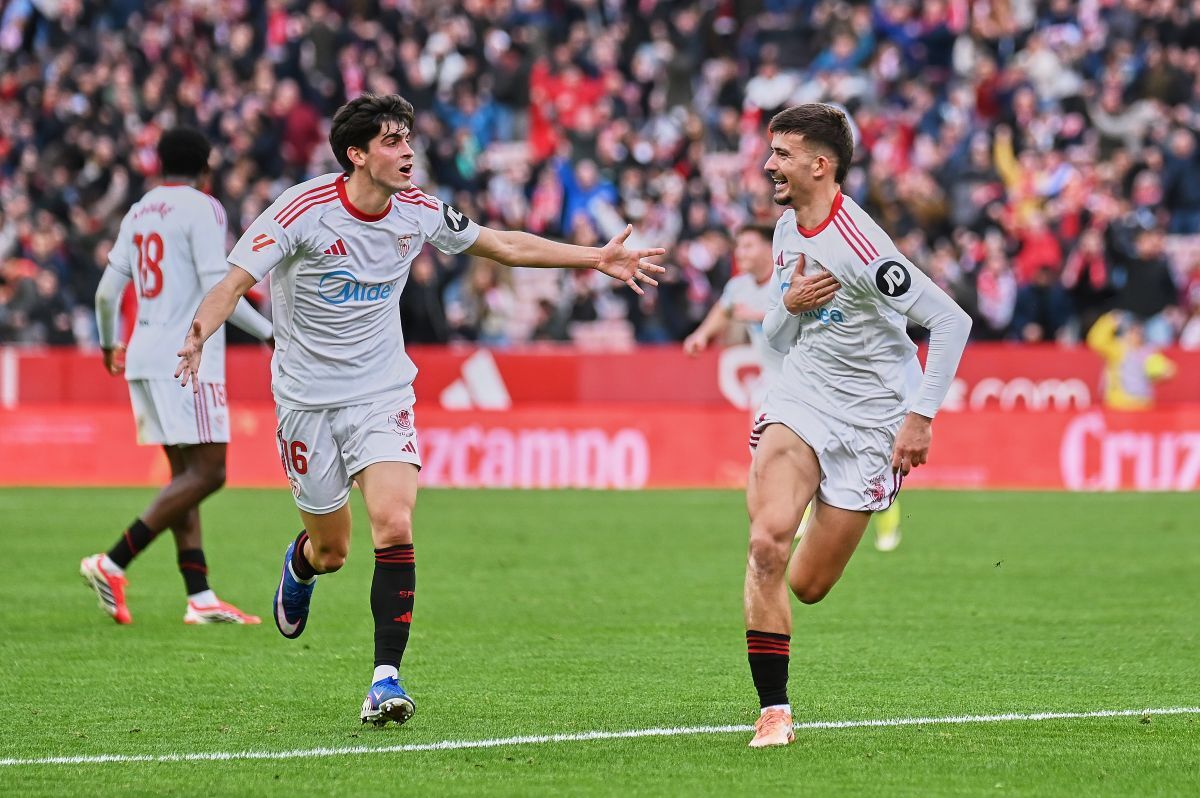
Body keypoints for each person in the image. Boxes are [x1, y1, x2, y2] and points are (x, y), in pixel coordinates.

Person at [174, 94, 664, 727]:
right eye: (390, 142)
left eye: (407, 139)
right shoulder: (302, 211)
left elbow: (503, 245)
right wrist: (198, 333)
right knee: (334, 551)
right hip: (305, 401)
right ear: (357, 154)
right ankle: (300, 565)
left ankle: (385, 678)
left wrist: (595, 257)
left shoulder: (420, 210)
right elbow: (234, 281)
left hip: (381, 392)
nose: (407, 152)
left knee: (395, 523)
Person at [744, 104, 971, 748]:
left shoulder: (864, 249)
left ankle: (822, 502)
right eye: (771, 152)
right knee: (765, 546)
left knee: (808, 585)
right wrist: (785, 306)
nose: (769, 165)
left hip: (873, 423)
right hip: (803, 398)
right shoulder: (788, 227)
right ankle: (774, 711)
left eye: (782, 154)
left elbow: (951, 322)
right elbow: (775, 333)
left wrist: (919, 419)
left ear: (821, 164)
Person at [83, 127, 273, 626]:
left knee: (185, 477)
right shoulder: (203, 207)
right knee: (210, 472)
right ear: (206, 168)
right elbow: (218, 286)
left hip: (142, 352)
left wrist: (109, 344)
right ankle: (113, 560)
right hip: (189, 355)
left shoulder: (140, 209)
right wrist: (270, 332)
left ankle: (200, 596)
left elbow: (106, 294)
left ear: (158, 165)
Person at [684, 224, 906, 553]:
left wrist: (762, 313)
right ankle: (789, 514)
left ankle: (885, 512)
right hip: (775, 387)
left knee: (855, 467)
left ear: (766, 248)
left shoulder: (787, 277)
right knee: (770, 455)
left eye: (747, 246)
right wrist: (702, 334)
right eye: (738, 247)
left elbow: (808, 311)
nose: (740, 253)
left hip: (814, 382)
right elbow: (726, 308)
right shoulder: (738, 286)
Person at [1086, 310, 1176, 410]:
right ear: (1126, 333)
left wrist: (1165, 372)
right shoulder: (1118, 348)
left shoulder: (1148, 351)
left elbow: (1167, 369)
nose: (1136, 335)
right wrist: (1109, 321)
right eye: (1132, 331)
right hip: (1120, 405)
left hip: (1143, 404)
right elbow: (1096, 341)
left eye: (1139, 332)